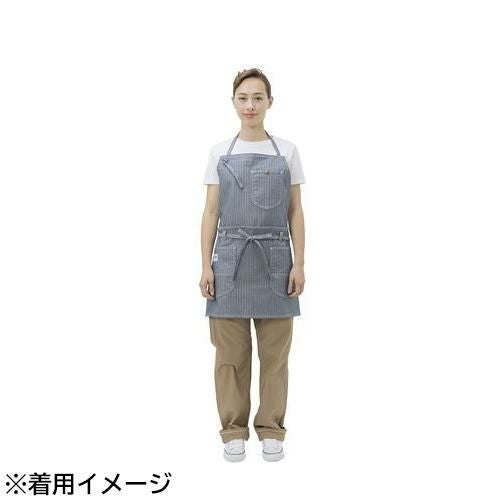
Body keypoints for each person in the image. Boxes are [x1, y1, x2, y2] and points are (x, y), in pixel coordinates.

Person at [199, 68, 306, 462]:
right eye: (243, 98)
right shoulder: (218, 152)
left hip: (276, 260)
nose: (250, 105)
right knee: (230, 356)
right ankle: (233, 430)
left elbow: (295, 211)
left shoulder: (288, 151)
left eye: (258, 97)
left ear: (269, 102)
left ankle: (271, 429)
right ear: (234, 103)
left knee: (275, 357)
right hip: (228, 260)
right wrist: (206, 265)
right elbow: (211, 212)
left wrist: (299, 263)